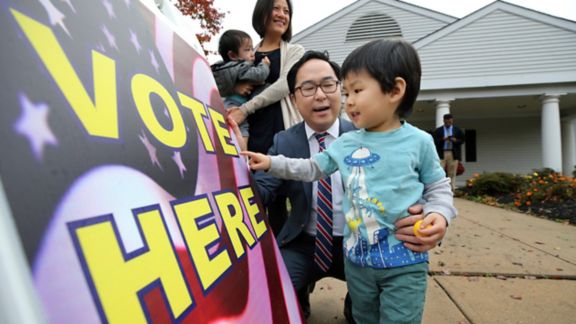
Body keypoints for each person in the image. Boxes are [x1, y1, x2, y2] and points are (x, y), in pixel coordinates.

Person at [241, 40, 457, 323]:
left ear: (394, 90)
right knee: (356, 314)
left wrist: (438, 215)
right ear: (294, 98)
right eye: (347, 92)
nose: (347, 100)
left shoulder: (418, 141)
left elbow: (438, 187)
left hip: (397, 257)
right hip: (339, 254)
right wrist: (264, 165)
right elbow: (309, 168)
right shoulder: (335, 143)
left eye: (350, 90)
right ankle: (303, 297)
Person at [228, 0, 305, 236]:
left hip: (283, 132)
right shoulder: (247, 52)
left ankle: (285, 261)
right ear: (263, 12)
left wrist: (246, 108)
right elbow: (224, 79)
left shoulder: (295, 51)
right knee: (257, 199)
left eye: (287, 11)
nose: (282, 15)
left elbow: (285, 85)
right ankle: (259, 260)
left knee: (287, 200)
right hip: (253, 134)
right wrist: (236, 86)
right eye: (277, 8)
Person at [211, 29, 271, 139]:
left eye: (252, 49)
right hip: (235, 106)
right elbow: (259, 75)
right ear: (233, 55)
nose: (252, 54)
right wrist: (265, 65)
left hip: (228, 103)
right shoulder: (240, 67)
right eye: (247, 50)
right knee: (241, 130)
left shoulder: (222, 68)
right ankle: (242, 154)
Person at [434, 113, 465, 191]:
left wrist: (455, 140)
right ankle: (440, 189)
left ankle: (452, 189)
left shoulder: (457, 130)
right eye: (446, 120)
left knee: (452, 172)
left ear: (452, 120)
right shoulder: (438, 130)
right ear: (444, 120)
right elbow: (434, 141)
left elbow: (462, 140)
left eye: (450, 120)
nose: (448, 122)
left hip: (453, 153)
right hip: (441, 153)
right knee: (439, 172)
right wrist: (442, 139)